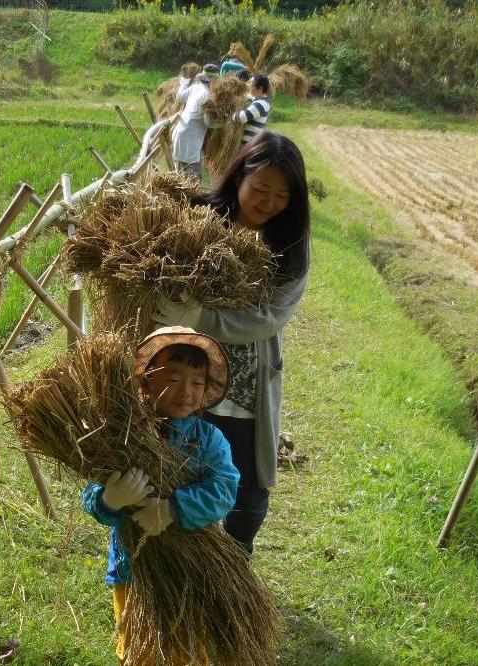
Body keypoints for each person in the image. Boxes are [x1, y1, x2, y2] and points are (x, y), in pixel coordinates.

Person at [153, 132, 311, 555]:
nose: (268, 202)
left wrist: (199, 317)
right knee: (180, 468)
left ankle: (235, 559)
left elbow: (269, 319)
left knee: (249, 489)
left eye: (281, 195)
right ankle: (180, 563)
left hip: (246, 383)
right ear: (239, 175)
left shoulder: (290, 246)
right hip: (186, 371)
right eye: (260, 189)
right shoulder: (197, 218)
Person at [81, 326, 239, 665]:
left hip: (190, 568)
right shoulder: (122, 437)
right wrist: (110, 499)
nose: (186, 391)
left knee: (185, 647)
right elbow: (91, 495)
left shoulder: (208, 440)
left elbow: (224, 489)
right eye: (174, 378)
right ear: (147, 381)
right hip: (133, 568)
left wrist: (172, 509)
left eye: (197, 382)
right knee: (139, 650)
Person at [171, 64, 219, 180]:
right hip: (191, 140)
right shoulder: (209, 96)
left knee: (181, 177)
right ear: (214, 80)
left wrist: (185, 80)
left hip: (179, 133)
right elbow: (208, 122)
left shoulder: (196, 87)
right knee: (194, 180)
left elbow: (179, 96)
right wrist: (222, 123)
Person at [233, 73, 271, 145]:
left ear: (260, 88)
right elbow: (248, 96)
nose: (249, 85)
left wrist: (230, 114)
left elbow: (241, 118)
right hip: (250, 143)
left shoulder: (260, 104)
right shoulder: (259, 100)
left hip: (249, 144)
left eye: (251, 84)